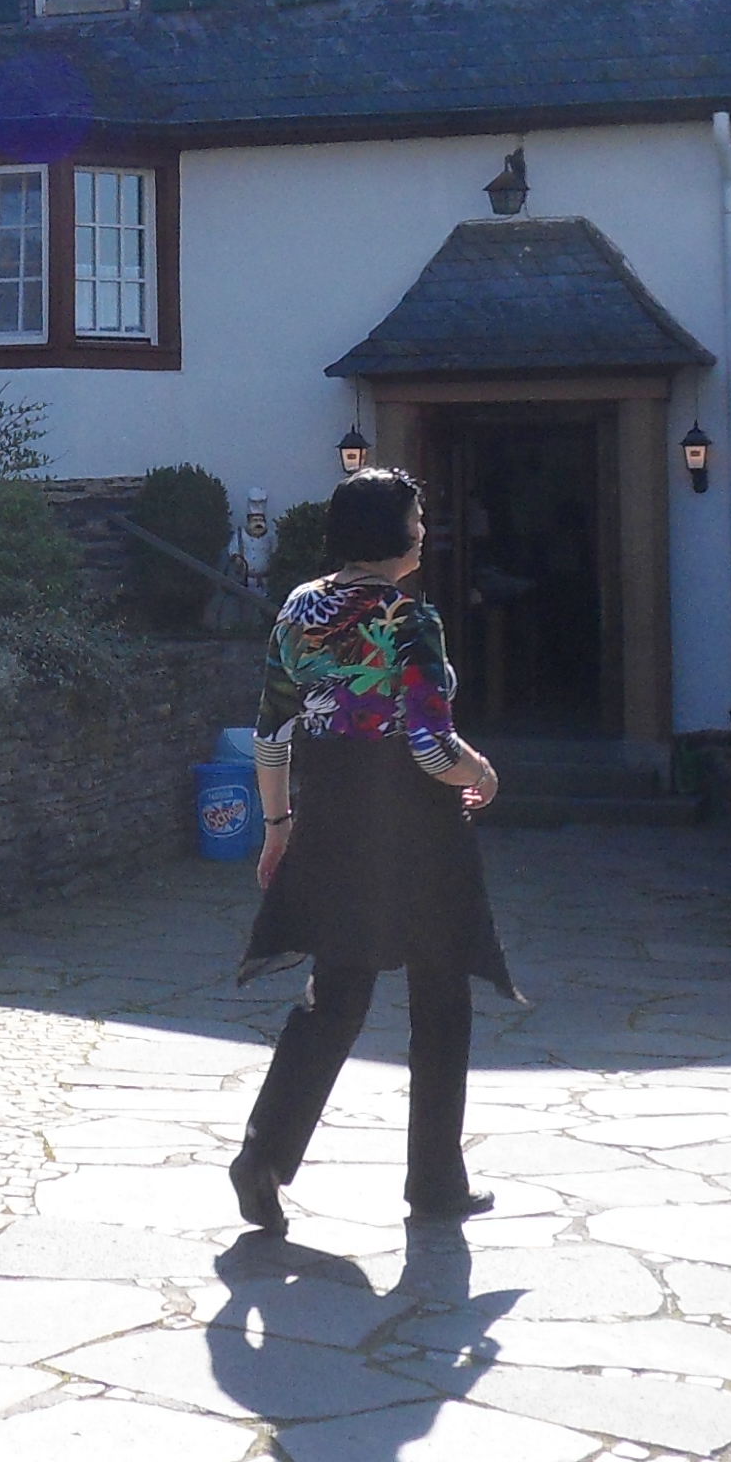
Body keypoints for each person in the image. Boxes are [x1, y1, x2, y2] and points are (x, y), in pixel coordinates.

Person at [228, 466, 514, 1231]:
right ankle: (435, 1181)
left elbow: (272, 731)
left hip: (331, 819)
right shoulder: (409, 618)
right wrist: (482, 773)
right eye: (416, 519)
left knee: (335, 997)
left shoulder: (299, 607)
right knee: (441, 1000)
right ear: (393, 532)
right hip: (417, 829)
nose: (423, 531)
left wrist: (279, 825)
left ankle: (263, 1156)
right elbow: (429, 747)